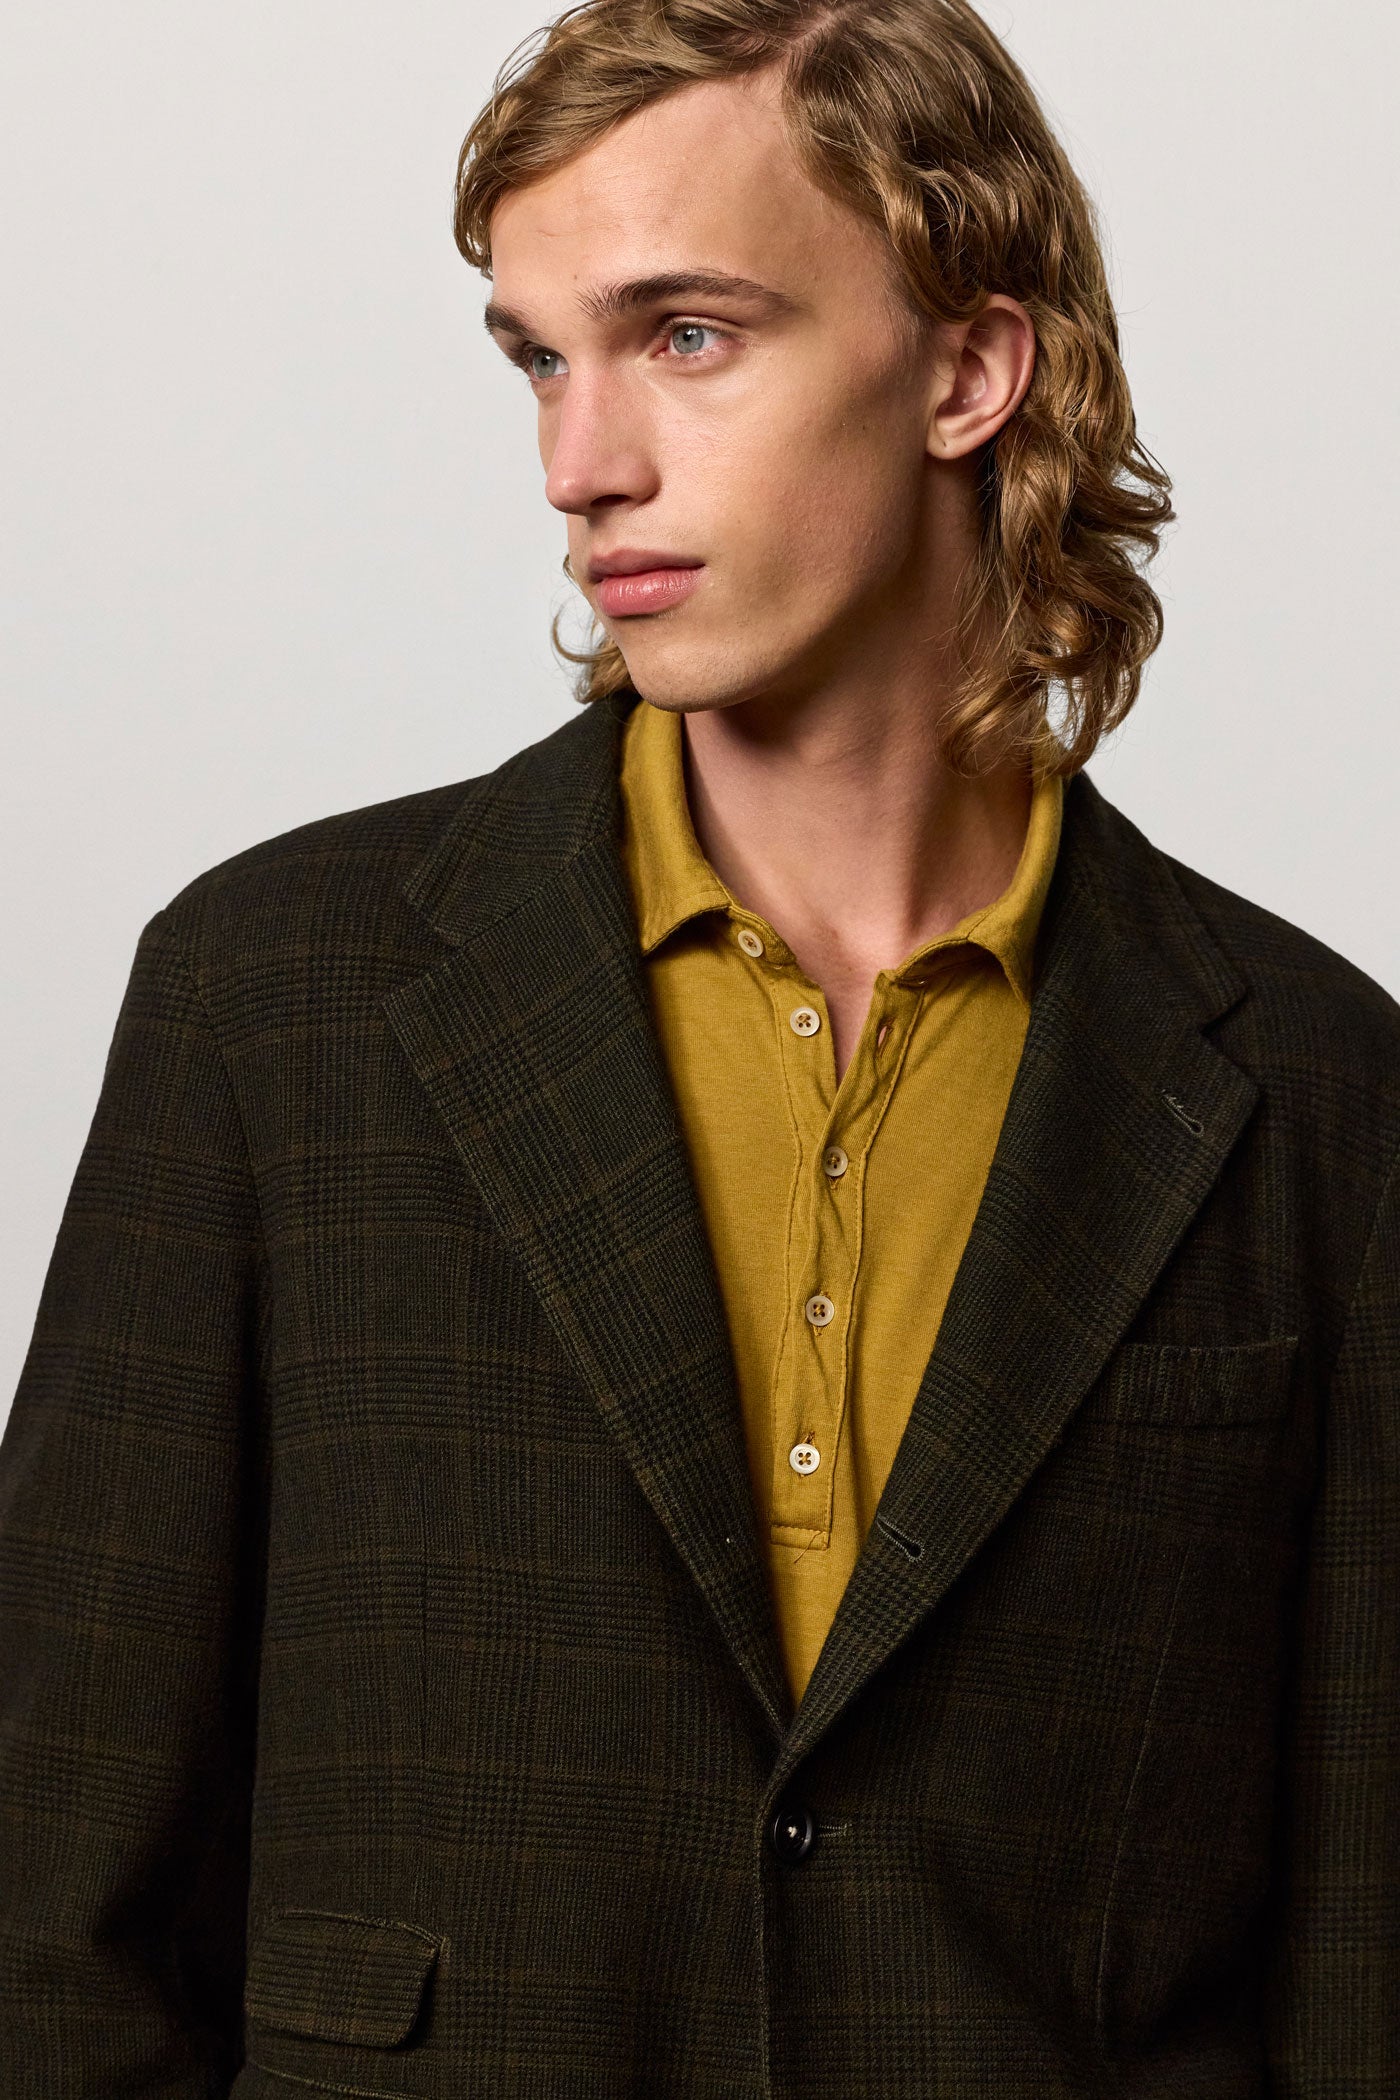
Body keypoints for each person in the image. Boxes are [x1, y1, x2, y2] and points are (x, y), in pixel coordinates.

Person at [1, 0, 1396, 2091]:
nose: (582, 465)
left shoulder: (1322, 1094)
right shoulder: (271, 1001)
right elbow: (52, 1917)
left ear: (966, 369)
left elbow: (1363, 1961)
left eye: (685, 335)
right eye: (539, 359)